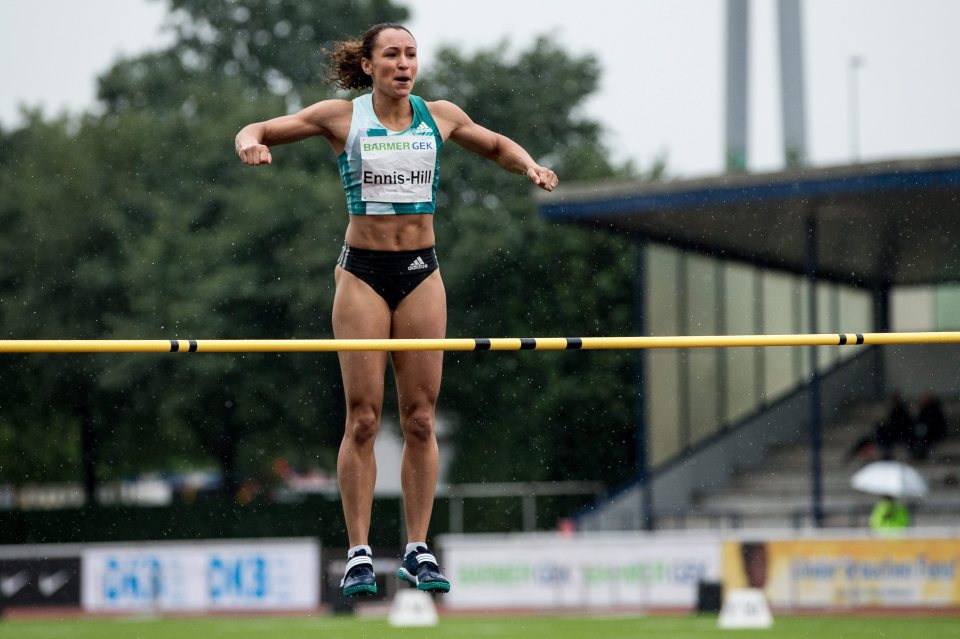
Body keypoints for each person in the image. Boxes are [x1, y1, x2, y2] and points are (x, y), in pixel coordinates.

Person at [235, 23, 558, 598]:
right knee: (363, 417)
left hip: (421, 274)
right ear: (368, 64)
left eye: (411, 54)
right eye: (392, 55)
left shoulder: (440, 115)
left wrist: (529, 166)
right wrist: (249, 143)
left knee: (420, 418)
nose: (404, 64)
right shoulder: (341, 117)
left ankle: (417, 548)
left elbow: (496, 145)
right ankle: (359, 552)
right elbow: (257, 126)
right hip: (362, 274)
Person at [910, 392, 948, 461]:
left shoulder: (935, 410)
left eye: (925, 398)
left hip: (934, 434)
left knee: (924, 441)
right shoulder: (923, 409)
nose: (923, 400)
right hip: (925, 434)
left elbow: (938, 424)